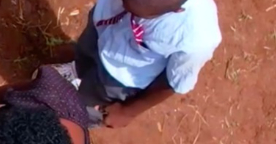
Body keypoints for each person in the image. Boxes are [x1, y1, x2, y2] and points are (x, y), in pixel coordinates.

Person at [54, 0, 221, 128]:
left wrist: (127, 112)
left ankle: (70, 119)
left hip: (120, 76)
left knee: (86, 103)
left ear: (177, 10)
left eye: (137, 12)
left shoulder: (197, 38)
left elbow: (173, 82)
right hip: (101, 24)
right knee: (84, 52)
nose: (125, 8)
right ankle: (77, 71)